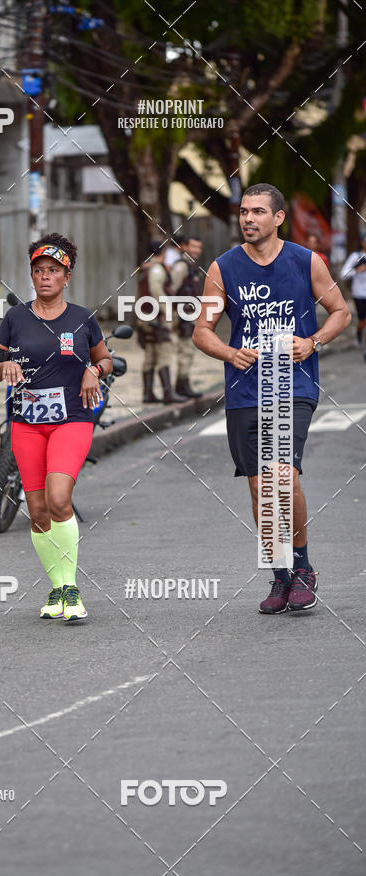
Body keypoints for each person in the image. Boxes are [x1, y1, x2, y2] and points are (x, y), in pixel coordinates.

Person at [193, 183, 351, 615]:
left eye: (258, 211)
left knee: (283, 476)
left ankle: (302, 567)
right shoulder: (223, 268)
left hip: (293, 385)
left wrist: (313, 342)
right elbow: (202, 331)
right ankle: (280, 575)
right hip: (245, 389)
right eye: (244, 211)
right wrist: (230, 353)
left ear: (278, 218)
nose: (248, 218)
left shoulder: (306, 261)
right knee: (259, 487)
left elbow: (341, 312)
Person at [0, 233, 112, 623]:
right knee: (38, 511)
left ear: (66, 276)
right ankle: (57, 588)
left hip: (71, 419)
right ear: (32, 275)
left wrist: (94, 370)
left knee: (59, 499)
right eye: (39, 270)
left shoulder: (82, 318)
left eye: (53, 270)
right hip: (26, 423)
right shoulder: (16, 318)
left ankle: (71, 588)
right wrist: (4, 366)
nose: (45, 276)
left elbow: (106, 359)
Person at [136, 240, 184, 404]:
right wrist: (168, 313)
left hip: (145, 316)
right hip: (156, 317)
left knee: (150, 354)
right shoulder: (156, 269)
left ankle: (147, 393)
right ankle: (168, 393)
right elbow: (156, 291)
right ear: (163, 252)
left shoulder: (145, 269)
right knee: (164, 352)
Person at [168, 236, 205, 398]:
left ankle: (183, 384)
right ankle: (181, 386)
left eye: (199, 247)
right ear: (185, 247)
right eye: (193, 247)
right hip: (182, 315)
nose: (196, 250)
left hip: (192, 315)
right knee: (185, 350)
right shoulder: (181, 267)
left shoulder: (193, 267)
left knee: (188, 351)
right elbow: (171, 291)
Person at [340, 234, 366, 346]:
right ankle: (359, 334)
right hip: (359, 293)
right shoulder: (356, 256)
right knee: (362, 320)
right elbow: (343, 274)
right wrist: (357, 270)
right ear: (362, 242)